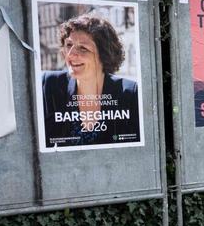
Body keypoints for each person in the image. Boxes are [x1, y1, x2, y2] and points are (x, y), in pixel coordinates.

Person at [41, 12, 140, 149]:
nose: (71, 55)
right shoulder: (49, 85)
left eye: (83, 48)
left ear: (104, 54)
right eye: (69, 45)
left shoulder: (129, 93)